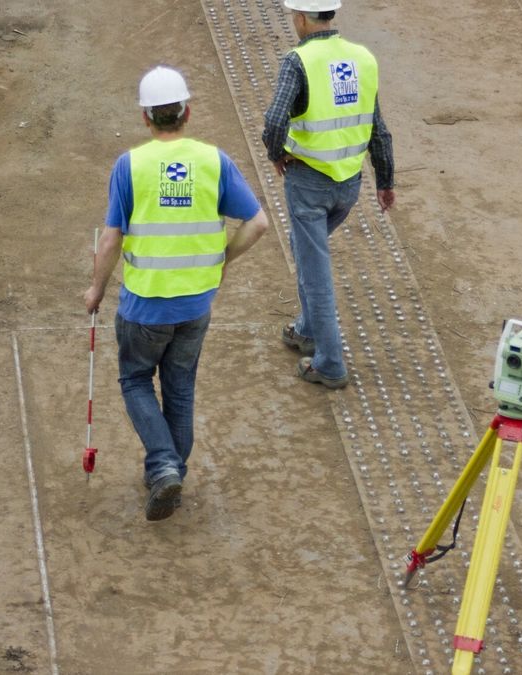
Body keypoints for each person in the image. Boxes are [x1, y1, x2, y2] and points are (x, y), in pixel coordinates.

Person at [85, 66, 268, 521]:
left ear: (146, 117)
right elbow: (258, 223)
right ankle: (169, 474)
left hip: (145, 306)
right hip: (196, 304)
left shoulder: (130, 166)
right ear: (186, 112)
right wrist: (221, 261)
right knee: (180, 387)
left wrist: (96, 289)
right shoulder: (214, 161)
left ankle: (165, 466)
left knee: (135, 380)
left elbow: (110, 240)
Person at [262, 0, 396, 390]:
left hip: (309, 184)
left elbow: (274, 121)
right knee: (304, 247)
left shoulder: (298, 61)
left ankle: (330, 363)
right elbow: (378, 127)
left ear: (302, 18)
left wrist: (276, 153)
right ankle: (306, 329)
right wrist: (385, 181)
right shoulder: (363, 58)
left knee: (315, 271)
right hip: (348, 186)